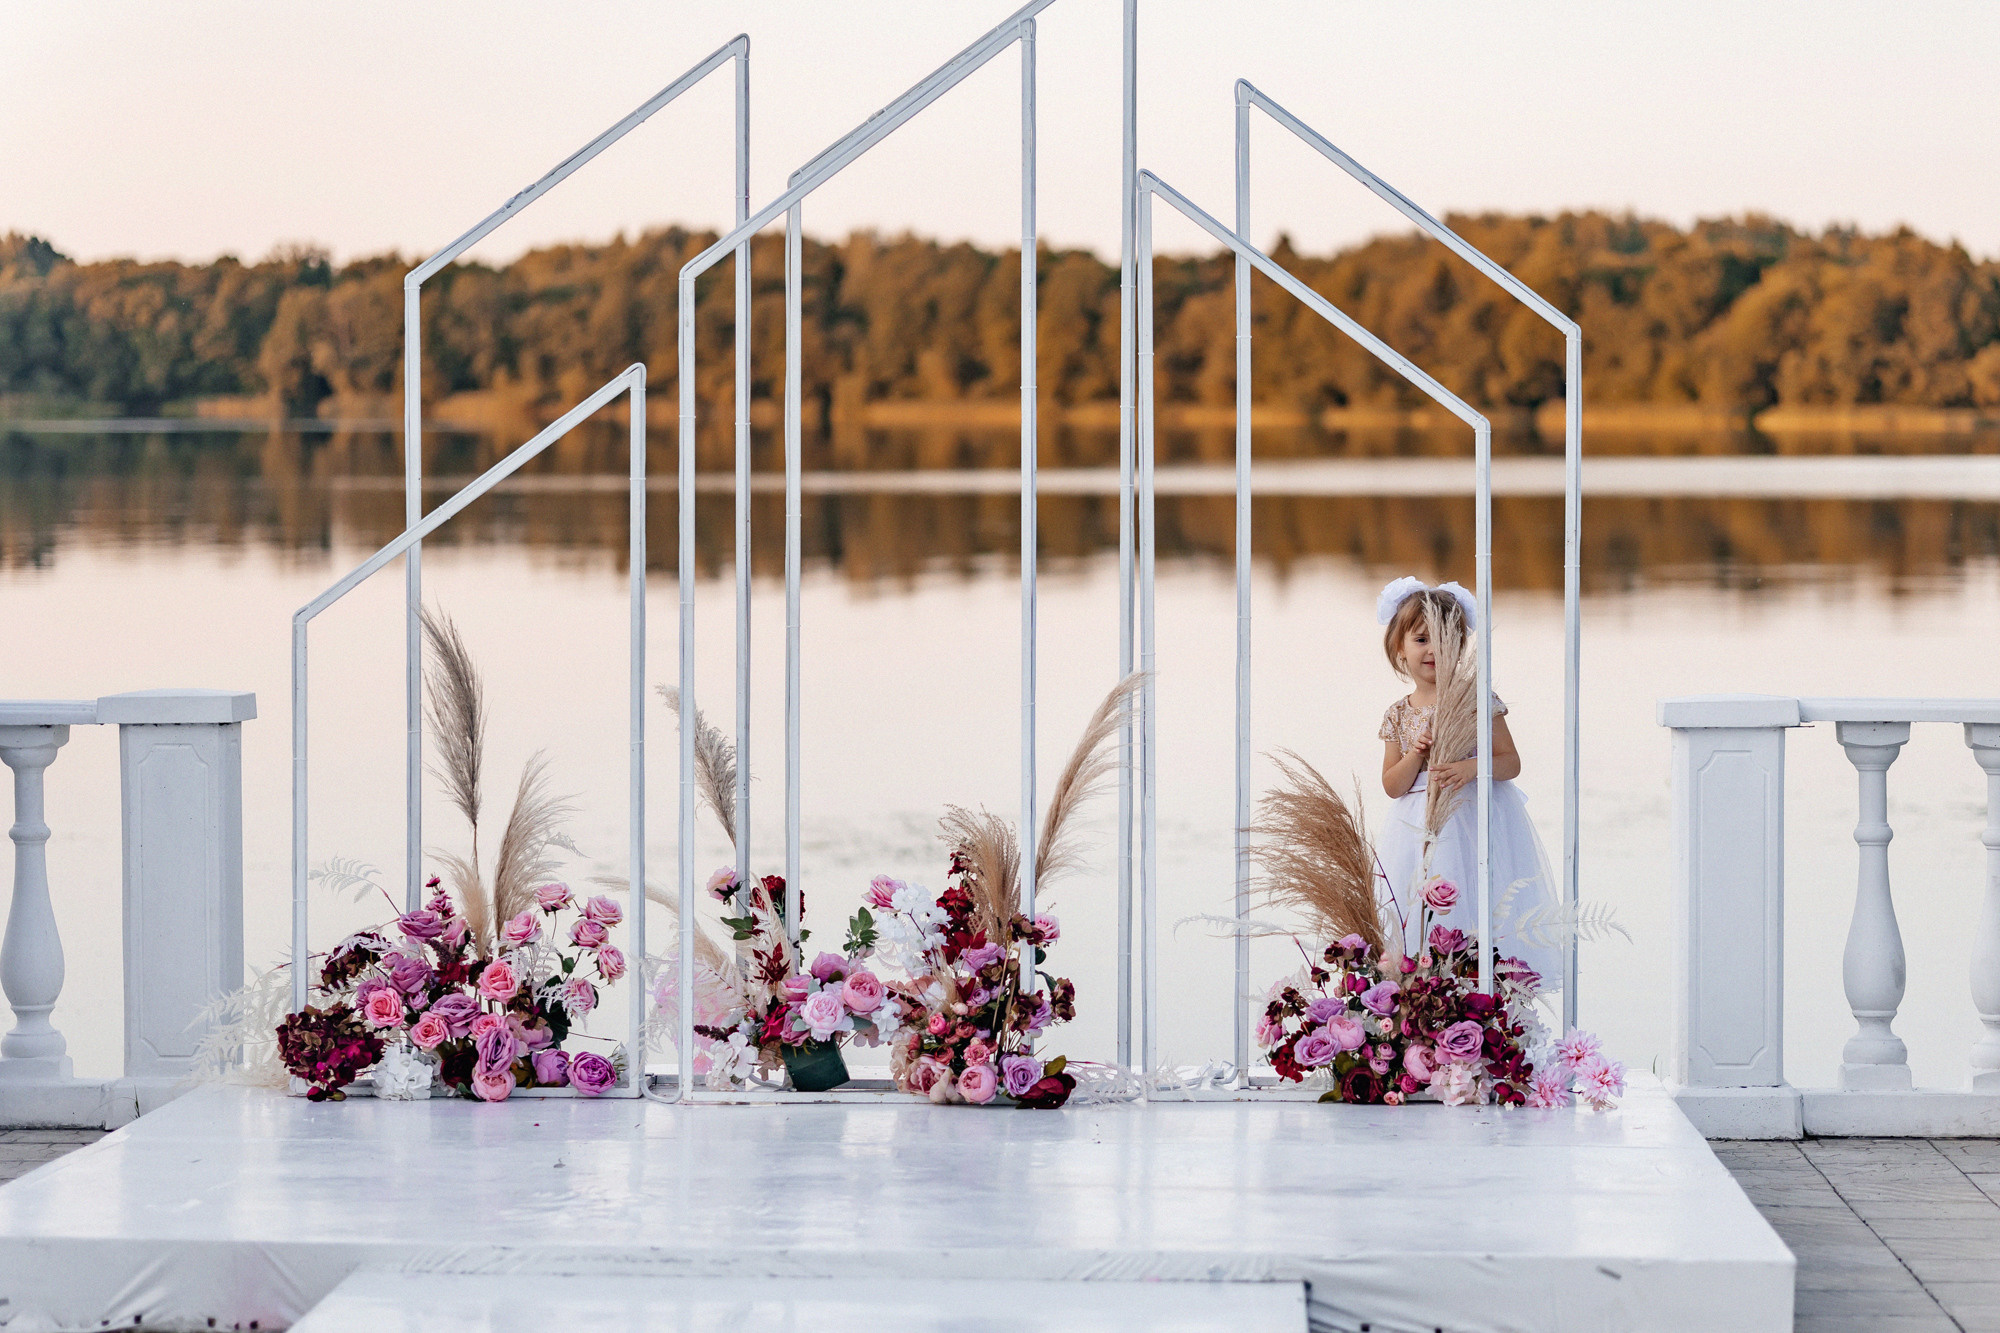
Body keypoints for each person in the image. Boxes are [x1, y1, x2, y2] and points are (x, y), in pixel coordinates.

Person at [1374, 577, 1560, 988]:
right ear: (1399, 647)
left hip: (1470, 818)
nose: (1433, 650)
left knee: (1475, 897)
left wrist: (1472, 768)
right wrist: (1416, 754)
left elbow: (1510, 762)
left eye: (1445, 640)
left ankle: (1482, 983)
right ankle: (1424, 986)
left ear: (1460, 647)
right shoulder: (1397, 714)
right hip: (1414, 827)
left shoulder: (1475, 698)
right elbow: (1392, 785)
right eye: (1421, 639)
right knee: (1417, 907)